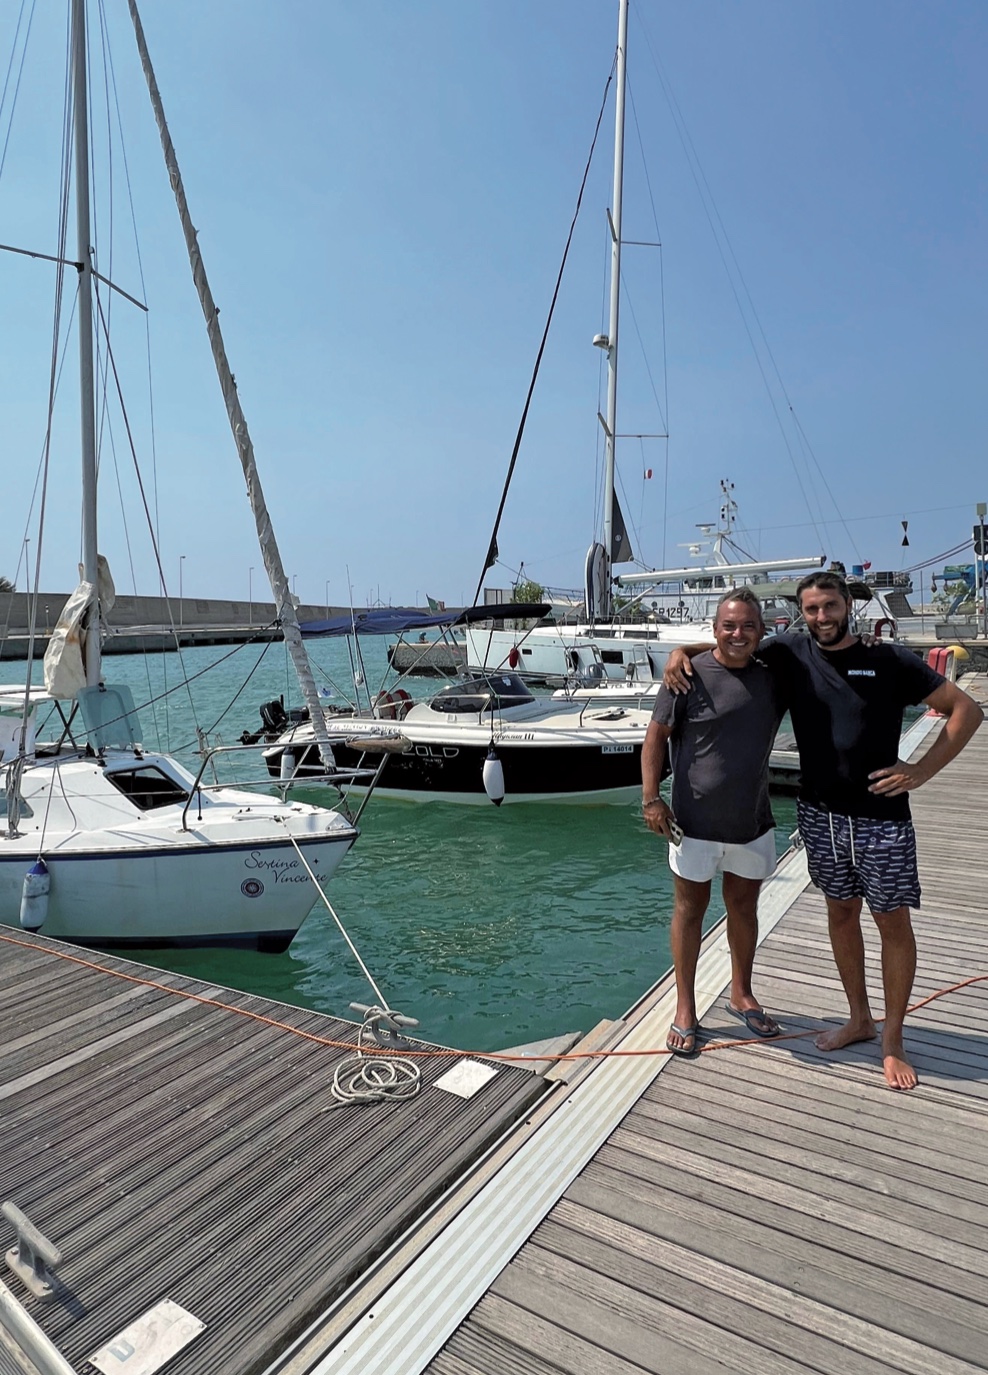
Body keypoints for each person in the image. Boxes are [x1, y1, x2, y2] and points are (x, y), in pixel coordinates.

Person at [664, 570, 983, 1089]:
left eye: (829, 607)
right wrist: (683, 649)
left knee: (893, 923)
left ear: (846, 606)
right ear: (801, 614)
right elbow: (736, 643)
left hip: (881, 818)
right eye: (811, 610)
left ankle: (893, 1040)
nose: (821, 617)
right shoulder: (791, 652)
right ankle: (859, 1018)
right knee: (841, 914)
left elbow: (965, 711)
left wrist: (922, 771)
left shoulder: (890, 661)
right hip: (819, 815)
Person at [642, 589, 785, 1057]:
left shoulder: (774, 676)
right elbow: (655, 738)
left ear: (762, 631)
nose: (737, 634)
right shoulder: (685, 676)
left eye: (747, 626)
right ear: (714, 629)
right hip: (693, 823)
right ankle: (685, 1007)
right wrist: (650, 800)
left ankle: (741, 992)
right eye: (728, 625)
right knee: (689, 911)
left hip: (751, 822)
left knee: (744, 910)